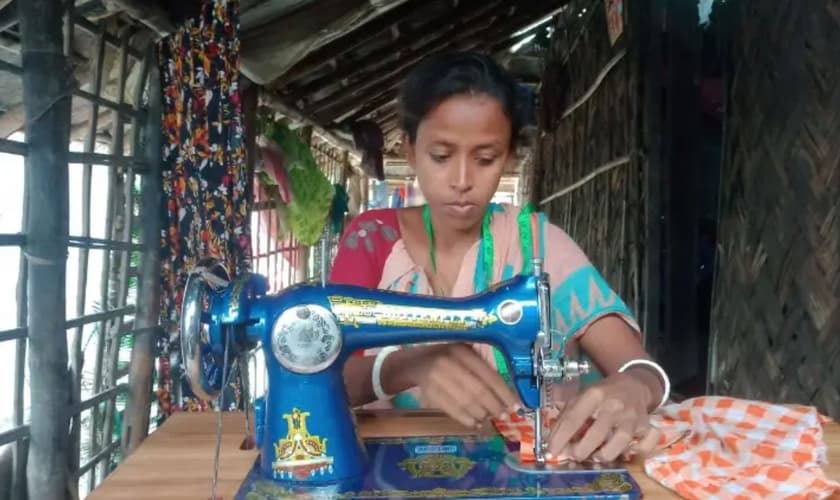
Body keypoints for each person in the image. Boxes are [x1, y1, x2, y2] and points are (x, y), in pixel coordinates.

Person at [329, 51, 669, 463]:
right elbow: (324, 374)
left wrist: (633, 387)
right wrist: (406, 366)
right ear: (410, 148)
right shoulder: (373, 241)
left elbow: (641, 369)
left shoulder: (537, 244)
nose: (462, 181)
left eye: (486, 159)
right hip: (393, 470)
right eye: (441, 156)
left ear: (508, 157)